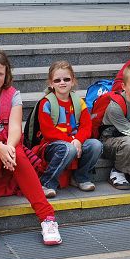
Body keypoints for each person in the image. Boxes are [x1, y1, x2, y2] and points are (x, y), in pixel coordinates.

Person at [0, 50, 61, 251]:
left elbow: (16, 128)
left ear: (6, 74)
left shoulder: (14, 95)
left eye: (0, 74)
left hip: (7, 141)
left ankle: (47, 217)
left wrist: (7, 148)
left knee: (20, 155)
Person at [34, 61, 103, 196]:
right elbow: (48, 131)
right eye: (57, 80)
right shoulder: (46, 103)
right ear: (51, 83)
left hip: (75, 141)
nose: (62, 83)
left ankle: (80, 177)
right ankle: (47, 182)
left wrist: (78, 140)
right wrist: (71, 141)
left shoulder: (79, 102)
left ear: (73, 81)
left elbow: (86, 126)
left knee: (96, 145)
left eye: (66, 79)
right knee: (68, 148)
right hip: (52, 145)